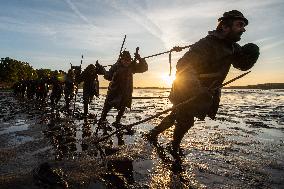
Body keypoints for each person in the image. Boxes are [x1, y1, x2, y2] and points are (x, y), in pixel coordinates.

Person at [146, 10, 260, 155]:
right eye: (240, 25)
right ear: (225, 27)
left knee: (176, 114)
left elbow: (241, 65)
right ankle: (173, 146)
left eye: (244, 25)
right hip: (187, 88)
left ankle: (153, 134)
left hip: (205, 90)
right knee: (186, 120)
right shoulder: (206, 44)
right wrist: (196, 88)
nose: (243, 29)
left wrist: (251, 55)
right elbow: (183, 64)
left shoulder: (232, 47)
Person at [98, 49, 148, 127]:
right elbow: (108, 76)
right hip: (114, 91)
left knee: (123, 107)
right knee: (107, 106)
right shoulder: (115, 66)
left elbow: (144, 68)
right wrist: (103, 71)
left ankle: (117, 121)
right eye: (125, 60)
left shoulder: (132, 67)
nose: (126, 62)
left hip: (126, 91)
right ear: (121, 59)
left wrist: (139, 59)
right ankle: (102, 119)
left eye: (128, 60)